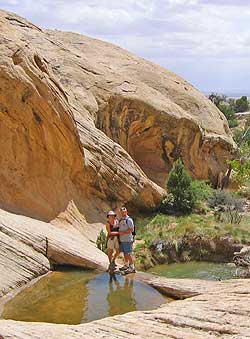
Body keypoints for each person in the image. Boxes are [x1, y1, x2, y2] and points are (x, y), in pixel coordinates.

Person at [118, 207, 136, 274]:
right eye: (121, 212)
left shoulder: (129, 220)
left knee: (128, 253)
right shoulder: (121, 220)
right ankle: (126, 265)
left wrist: (123, 232)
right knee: (125, 253)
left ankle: (132, 268)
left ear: (126, 212)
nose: (122, 213)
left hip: (128, 239)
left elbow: (132, 229)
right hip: (122, 240)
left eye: (124, 211)